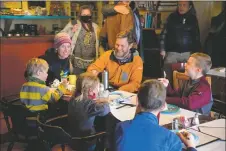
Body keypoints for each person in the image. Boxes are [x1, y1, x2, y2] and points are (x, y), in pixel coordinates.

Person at [114, 79, 197, 151]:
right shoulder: (170, 138)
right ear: (164, 106)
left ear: (137, 100)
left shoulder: (120, 128)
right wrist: (191, 147)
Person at [160, 1, 201, 84]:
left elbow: (196, 37)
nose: (181, 7)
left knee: (188, 77)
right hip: (172, 52)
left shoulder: (193, 19)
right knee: (167, 75)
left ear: (189, 7)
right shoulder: (171, 17)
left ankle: (183, 93)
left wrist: (197, 54)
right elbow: (164, 33)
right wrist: (162, 49)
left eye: (184, 5)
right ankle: (168, 91)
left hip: (188, 53)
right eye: (179, 5)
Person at [68, 72, 110, 150]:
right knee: (106, 130)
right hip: (86, 140)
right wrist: (106, 100)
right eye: (97, 88)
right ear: (91, 90)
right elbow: (105, 110)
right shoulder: (89, 104)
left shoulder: (74, 97)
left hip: (72, 136)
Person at [61, 5, 100, 75]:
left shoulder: (96, 27)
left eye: (88, 15)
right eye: (84, 14)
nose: (86, 16)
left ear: (91, 15)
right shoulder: (74, 23)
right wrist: (72, 31)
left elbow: (99, 44)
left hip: (92, 63)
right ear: (80, 15)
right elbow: (61, 37)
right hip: (77, 63)